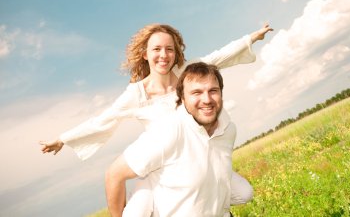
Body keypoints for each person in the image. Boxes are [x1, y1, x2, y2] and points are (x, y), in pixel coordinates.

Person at [40, 23, 273, 215]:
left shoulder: (186, 73)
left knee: (242, 193)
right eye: (157, 49)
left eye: (169, 49)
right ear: (145, 54)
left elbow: (217, 58)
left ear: (176, 53)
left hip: (197, 159)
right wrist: (63, 139)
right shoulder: (136, 94)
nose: (164, 55)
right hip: (156, 171)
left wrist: (250, 38)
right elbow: (102, 120)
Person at [106, 62, 236, 217]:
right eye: (197, 93)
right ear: (182, 98)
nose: (207, 99)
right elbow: (114, 174)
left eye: (213, 91)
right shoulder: (169, 130)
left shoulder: (228, 129)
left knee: (244, 192)